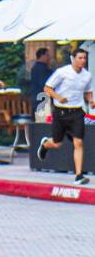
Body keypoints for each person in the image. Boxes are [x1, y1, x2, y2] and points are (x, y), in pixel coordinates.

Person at [37, 47, 93, 184]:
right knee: (57, 143)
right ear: (72, 59)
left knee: (78, 142)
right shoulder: (62, 72)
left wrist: (91, 101)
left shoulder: (87, 75)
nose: (83, 61)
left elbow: (88, 91)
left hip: (77, 111)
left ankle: (78, 175)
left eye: (84, 58)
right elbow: (47, 88)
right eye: (80, 58)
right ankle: (45, 144)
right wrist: (58, 97)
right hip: (61, 111)